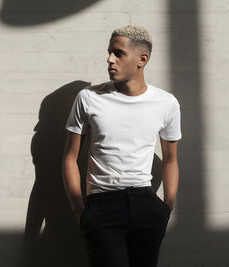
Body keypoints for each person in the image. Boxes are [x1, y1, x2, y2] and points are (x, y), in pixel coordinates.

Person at [62, 25, 182, 267]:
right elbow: (69, 157)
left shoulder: (166, 103)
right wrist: (79, 211)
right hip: (102, 206)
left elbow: (170, 159)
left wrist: (166, 207)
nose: (109, 59)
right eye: (109, 52)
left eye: (118, 53)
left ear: (142, 59)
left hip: (146, 205)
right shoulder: (89, 98)